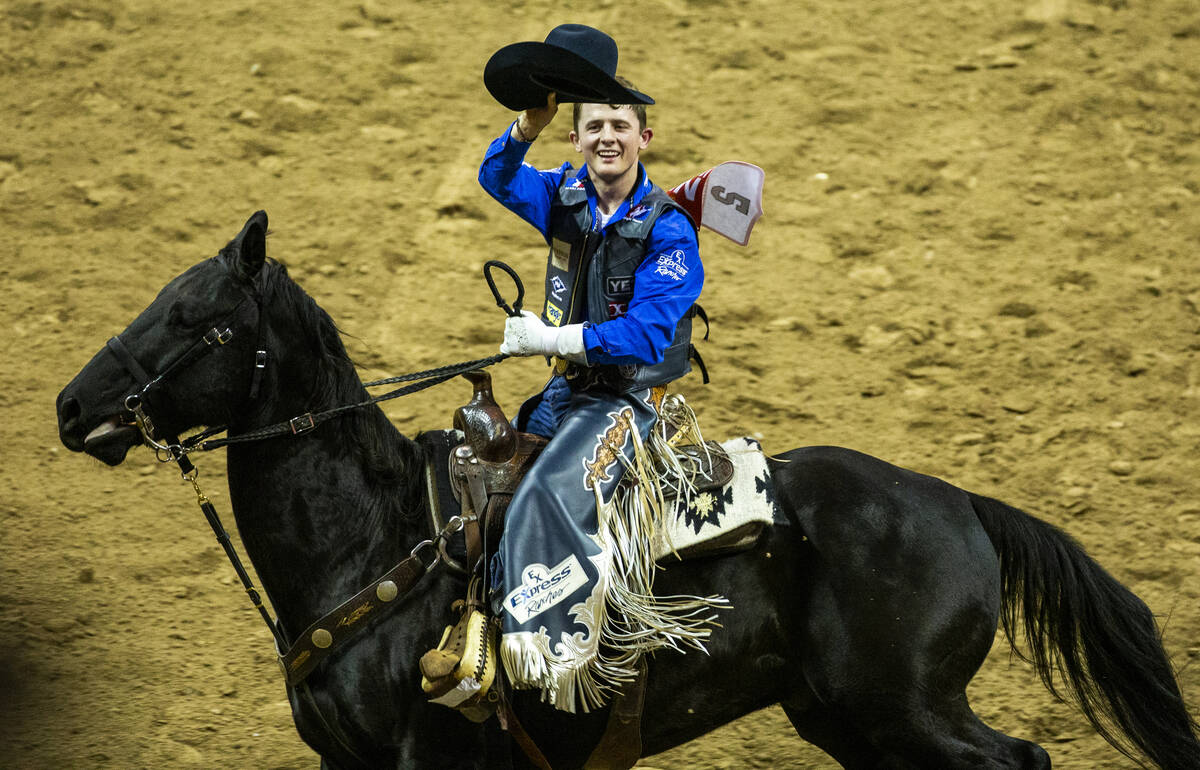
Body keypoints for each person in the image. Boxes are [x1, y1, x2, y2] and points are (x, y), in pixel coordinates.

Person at [477, 24, 719, 713]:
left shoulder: (669, 229)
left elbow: (646, 334)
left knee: (553, 492)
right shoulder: (564, 193)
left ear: (644, 140)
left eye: (620, 125)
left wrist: (550, 341)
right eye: (592, 127)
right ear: (576, 140)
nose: (606, 137)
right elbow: (495, 176)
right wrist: (527, 125)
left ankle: (553, 654)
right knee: (489, 476)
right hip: (567, 394)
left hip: (629, 403)